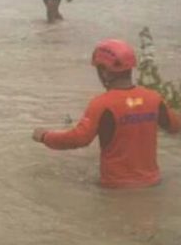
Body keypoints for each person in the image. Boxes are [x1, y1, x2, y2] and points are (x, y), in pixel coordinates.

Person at [32, 39, 180, 189]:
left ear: (104, 71)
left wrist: (45, 136)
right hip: (153, 184)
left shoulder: (101, 104)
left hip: (115, 187)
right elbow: (175, 127)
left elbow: (79, 139)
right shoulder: (154, 98)